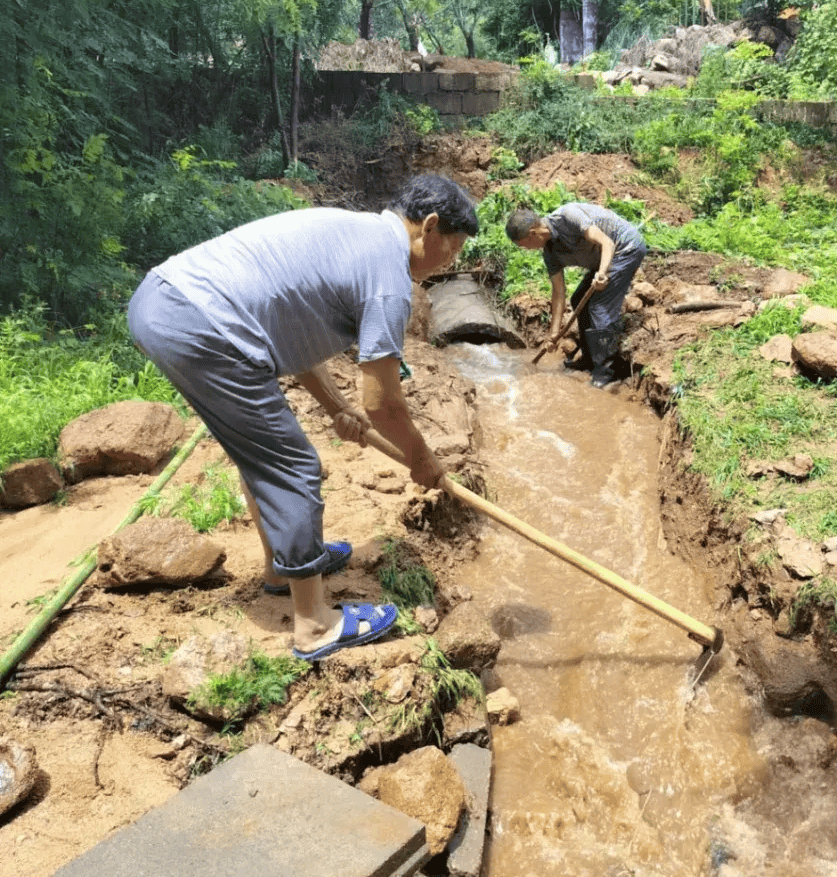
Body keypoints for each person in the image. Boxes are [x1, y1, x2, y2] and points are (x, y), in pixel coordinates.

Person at [127, 174, 478, 662]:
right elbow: (384, 403)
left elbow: (295, 330)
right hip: (202, 325)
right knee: (294, 468)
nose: (450, 265)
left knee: (263, 455)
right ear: (430, 227)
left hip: (166, 304)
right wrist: (423, 462)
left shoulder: (356, 233)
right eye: (454, 251)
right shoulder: (389, 281)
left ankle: (282, 566)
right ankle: (315, 626)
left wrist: (336, 407)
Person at [505, 202, 646, 388]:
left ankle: (607, 372)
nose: (525, 250)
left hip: (625, 248)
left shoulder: (568, 216)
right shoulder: (550, 253)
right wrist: (553, 334)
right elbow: (558, 293)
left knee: (599, 306)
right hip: (603, 261)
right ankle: (589, 360)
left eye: (523, 246)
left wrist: (602, 273)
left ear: (532, 234)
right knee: (578, 299)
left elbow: (606, 242)